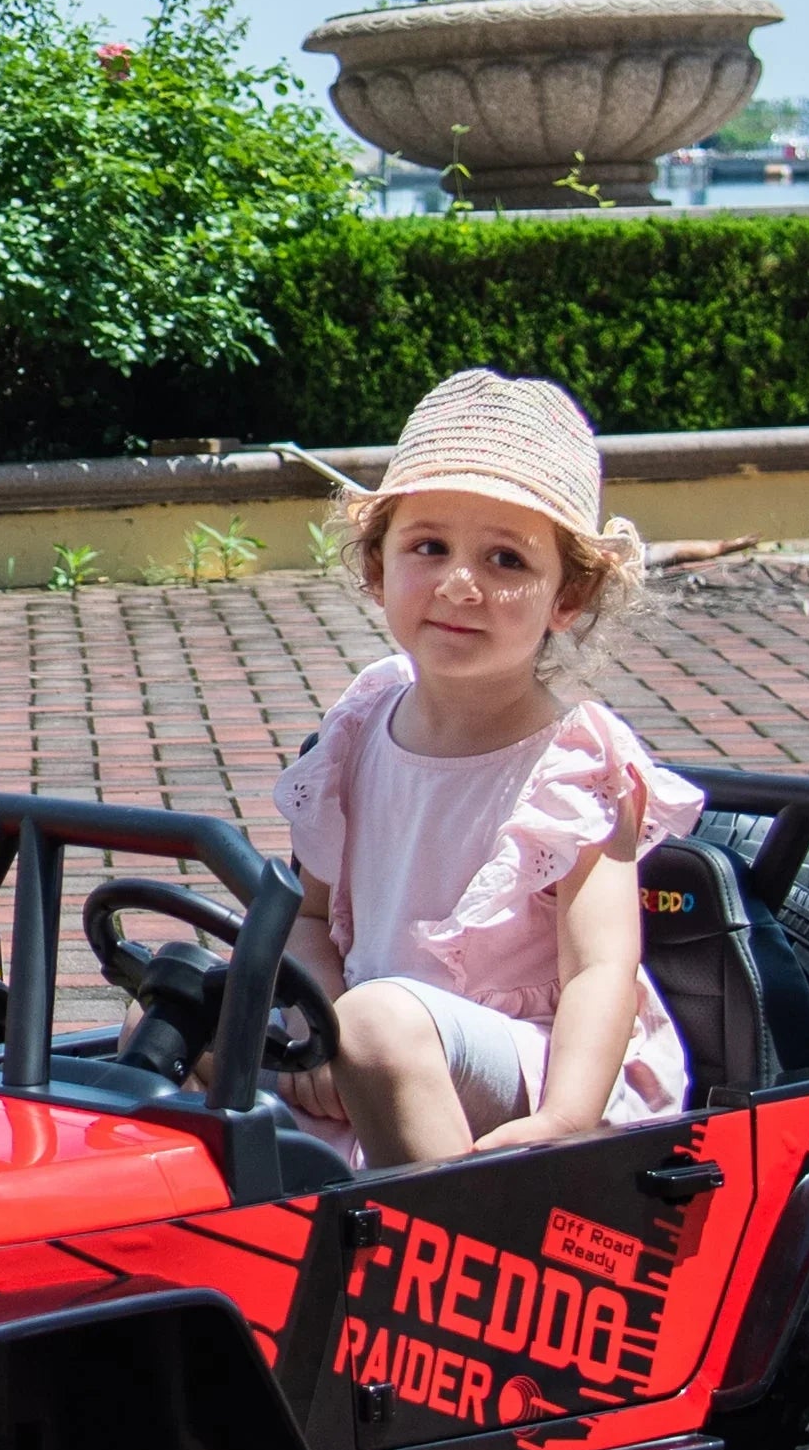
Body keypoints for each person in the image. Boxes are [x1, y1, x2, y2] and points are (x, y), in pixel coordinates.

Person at [267, 368, 699, 1168]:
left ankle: (468, 1245)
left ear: (566, 597)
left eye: (505, 561)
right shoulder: (361, 724)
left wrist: (566, 1118)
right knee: (176, 1015)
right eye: (428, 547)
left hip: (535, 1064)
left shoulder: (578, 763)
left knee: (379, 1027)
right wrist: (314, 1023)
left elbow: (603, 967)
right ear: (377, 567)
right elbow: (307, 917)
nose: (460, 585)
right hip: (374, 1035)